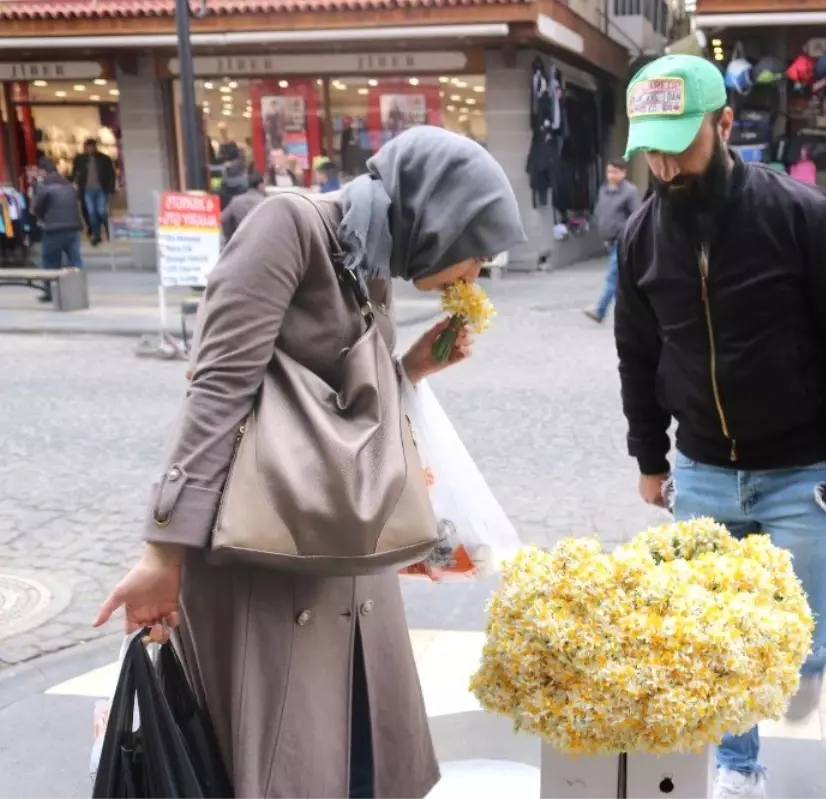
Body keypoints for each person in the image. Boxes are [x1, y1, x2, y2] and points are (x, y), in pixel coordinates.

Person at [93, 126, 526, 799]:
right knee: (283, 767)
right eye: (476, 254)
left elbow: (346, 405)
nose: (473, 275)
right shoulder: (288, 224)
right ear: (437, 218)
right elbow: (216, 388)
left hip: (343, 560)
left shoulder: (369, 258)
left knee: (359, 765)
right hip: (267, 556)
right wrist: (163, 550)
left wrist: (412, 366)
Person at [613, 55, 826, 799]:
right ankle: (737, 764)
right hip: (702, 472)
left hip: (804, 472)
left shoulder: (797, 214)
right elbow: (637, 356)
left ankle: (806, 664)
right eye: (654, 149)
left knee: (797, 646)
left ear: (726, 124)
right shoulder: (640, 237)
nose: (668, 167)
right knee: (716, 638)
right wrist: (650, 455)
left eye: (683, 144)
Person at [584, 159, 640, 324]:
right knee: (621, 280)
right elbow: (600, 210)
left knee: (612, 276)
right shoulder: (604, 190)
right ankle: (630, 314)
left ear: (623, 173)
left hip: (621, 241)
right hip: (609, 241)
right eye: (609, 171)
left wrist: (623, 231)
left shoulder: (630, 192)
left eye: (615, 172)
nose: (611, 175)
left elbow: (637, 216)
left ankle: (600, 310)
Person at [32, 158, 83, 301]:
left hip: (53, 229)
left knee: (50, 263)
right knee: (76, 261)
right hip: (72, 227)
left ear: (43, 170)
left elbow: (37, 208)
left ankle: (50, 292)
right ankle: (78, 290)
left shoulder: (43, 186)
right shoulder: (68, 185)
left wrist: (42, 219)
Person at [71, 138, 116, 247]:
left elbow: (111, 174)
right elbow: (74, 172)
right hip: (87, 190)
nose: (89, 149)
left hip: (101, 189)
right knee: (92, 213)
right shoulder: (80, 159)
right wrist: (74, 182)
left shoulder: (104, 159)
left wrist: (111, 188)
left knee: (101, 212)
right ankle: (96, 235)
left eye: (91, 147)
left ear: (95, 147)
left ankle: (108, 229)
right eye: (87, 147)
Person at [220, 171, 266, 244]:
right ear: (260, 185)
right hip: (260, 242)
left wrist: (229, 237)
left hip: (240, 242)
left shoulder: (236, 201)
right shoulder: (265, 202)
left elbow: (223, 219)